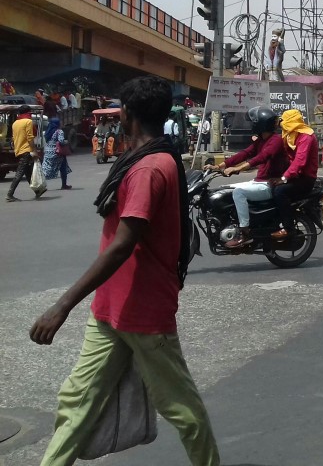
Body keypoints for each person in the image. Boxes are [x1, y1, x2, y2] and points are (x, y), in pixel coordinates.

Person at [29, 75, 220, 466]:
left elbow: (122, 246)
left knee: (183, 411)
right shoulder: (146, 158)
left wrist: (61, 306)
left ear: (127, 115)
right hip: (110, 310)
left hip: (144, 313)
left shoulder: (150, 168)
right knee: (78, 402)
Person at [214, 107, 288, 248]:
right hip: (258, 182)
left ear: (260, 124)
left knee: (238, 192)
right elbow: (245, 153)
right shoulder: (261, 140)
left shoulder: (275, 141)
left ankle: (245, 232)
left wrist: (237, 168)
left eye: (254, 122)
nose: (251, 125)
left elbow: (261, 158)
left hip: (269, 184)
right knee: (224, 189)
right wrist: (220, 166)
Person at [274, 109, 319, 238]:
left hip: (305, 178)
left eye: (285, 120)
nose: (282, 123)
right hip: (295, 175)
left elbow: (300, 161)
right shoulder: (290, 134)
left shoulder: (306, 136)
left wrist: (284, 177)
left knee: (279, 192)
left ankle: (288, 228)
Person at [6, 105, 40, 202]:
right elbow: (30, 137)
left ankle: (37, 191)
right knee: (20, 173)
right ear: (27, 112)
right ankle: (10, 194)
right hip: (26, 150)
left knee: (28, 172)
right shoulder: (28, 122)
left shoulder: (15, 123)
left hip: (19, 150)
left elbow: (14, 138)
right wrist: (34, 150)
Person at [42, 116, 73, 190]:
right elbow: (61, 141)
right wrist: (67, 142)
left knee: (45, 169)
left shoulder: (47, 132)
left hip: (48, 153)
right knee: (63, 168)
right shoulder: (59, 131)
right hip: (57, 153)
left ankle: (41, 184)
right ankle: (64, 185)